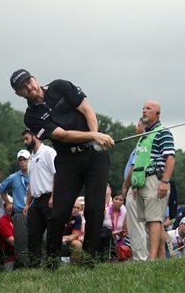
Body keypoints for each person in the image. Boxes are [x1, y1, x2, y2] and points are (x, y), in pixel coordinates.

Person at [10, 69, 114, 267]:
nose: (30, 87)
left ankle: (89, 260)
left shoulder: (60, 86)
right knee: (58, 214)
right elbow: (63, 135)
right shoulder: (31, 117)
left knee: (94, 208)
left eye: (29, 81)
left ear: (34, 78)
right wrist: (94, 136)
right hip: (68, 160)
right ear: (19, 94)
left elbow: (87, 110)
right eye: (23, 87)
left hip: (95, 156)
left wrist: (95, 137)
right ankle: (51, 262)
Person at [122, 100, 175, 260]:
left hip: (155, 180)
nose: (144, 111)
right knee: (149, 222)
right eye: (143, 108)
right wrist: (129, 185)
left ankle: (152, 260)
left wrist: (165, 181)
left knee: (154, 221)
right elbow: (137, 163)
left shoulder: (163, 132)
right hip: (141, 182)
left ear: (157, 114)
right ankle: (159, 259)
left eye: (149, 109)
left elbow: (170, 158)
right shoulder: (144, 136)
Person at [22, 129, 57, 268]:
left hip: (49, 197)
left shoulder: (48, 152)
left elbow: (57, 175)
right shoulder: (30, 158)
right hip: (35, 201)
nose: (25, 142)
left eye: (26, 138)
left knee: (51, 234)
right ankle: (34, 266)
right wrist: (27, 203)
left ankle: (52, 264)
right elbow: (32, 182)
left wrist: (54, 197)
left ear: (35, 137)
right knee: (33, 235)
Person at [121, 118, 148, 261]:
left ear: (144, 128)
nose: (135, 128)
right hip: (140, 187)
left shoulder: (142, 145)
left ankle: (140, 258)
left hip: (135, 186)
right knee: (143, 226)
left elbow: (134, 167)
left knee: (136, 226)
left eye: (137, 125)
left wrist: (125, 186)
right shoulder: (144, 144)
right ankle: (146, 257)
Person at [0, 149, 31, 268]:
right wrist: (7, 202)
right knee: (21, 242)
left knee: (38, 240)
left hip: (34, 211)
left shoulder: (35, 174)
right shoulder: (14, 177)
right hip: (19, 212)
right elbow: (1, 189)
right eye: (20, 160)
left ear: (30, 160)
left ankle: (37, 266)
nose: (22, 162)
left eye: (25, 159)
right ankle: (23, 268)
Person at [99, 191, 128, 261]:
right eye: (116, 199)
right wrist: (111, 233)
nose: (118, 201)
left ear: (123, 202)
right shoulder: (105, 211)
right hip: (105, 238)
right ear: (112, 200)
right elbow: (98, 228)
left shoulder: (125, 214)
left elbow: (125, 232)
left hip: (118, 240)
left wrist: (123, 234)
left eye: (120, 200)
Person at [0, 196, 15, 271]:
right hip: (8, 258)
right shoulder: (2, 221)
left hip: (19, 255)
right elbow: (11, 241)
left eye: (11, 205)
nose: (9, 207)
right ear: (4, 208)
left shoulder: (18, 219)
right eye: (6, 205)